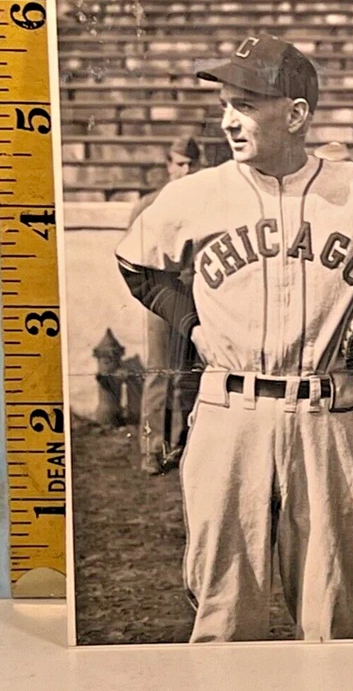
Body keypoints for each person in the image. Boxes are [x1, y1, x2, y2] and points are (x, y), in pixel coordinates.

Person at [115, 33, 353, 642]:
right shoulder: (195, 194)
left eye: (245, 104)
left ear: (296, 115)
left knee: (334, 619)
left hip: (329, 416)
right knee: (223, 614)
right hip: (228, 414)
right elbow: (137, 264)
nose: (228, 120)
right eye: (225, 104)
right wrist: (193, 323)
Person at [128, 135, 203, 476]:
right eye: (179, 163)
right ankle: (151, 448)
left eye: (191, 164)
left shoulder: (204, 201)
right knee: (159, 372)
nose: (185, 170)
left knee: (187, 374)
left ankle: (180, 444)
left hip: (195, 293)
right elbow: (133, 256)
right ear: (168, 165)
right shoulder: (148, 204)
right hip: (160, 294)